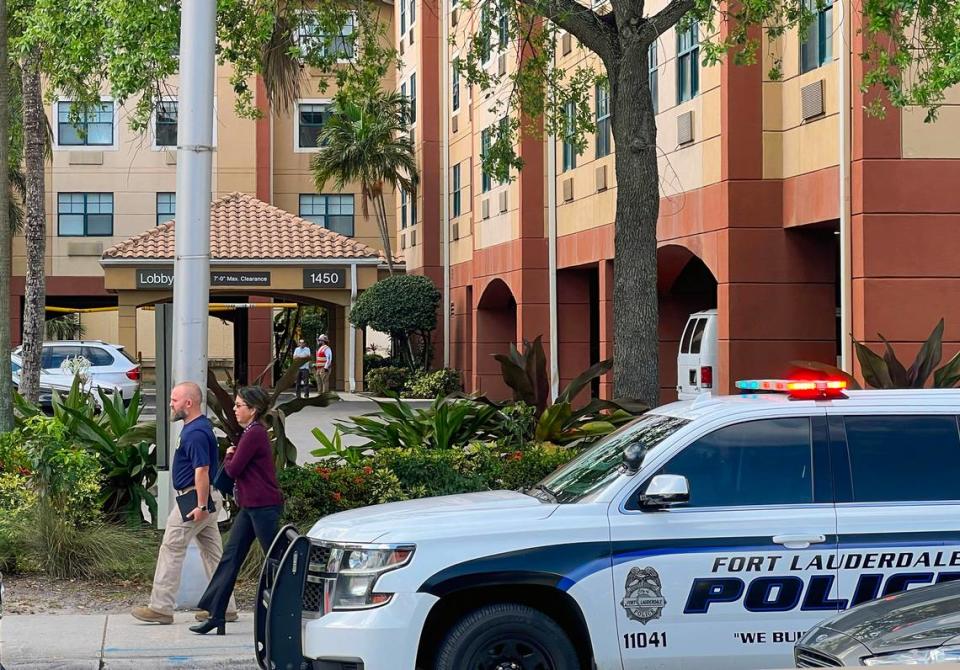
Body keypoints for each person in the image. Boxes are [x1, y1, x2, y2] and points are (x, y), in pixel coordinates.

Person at [132, 382, 237, 624]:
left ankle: (160, 607)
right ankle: (225, 607)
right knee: (213, 554)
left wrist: (200, 506)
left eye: (175, 399)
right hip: (203, 498)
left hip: (195, 500)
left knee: (171, 548)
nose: (171, 403)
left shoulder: (196, 433)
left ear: (188, 403)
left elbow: (202, 470)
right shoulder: (197, 428)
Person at [190, 386, 284, 635]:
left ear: (252, 410)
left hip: (263, 507)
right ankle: (216, 615)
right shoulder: (250, 432)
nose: (234, 409)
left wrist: (230, 455)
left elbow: (234, 470)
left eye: (239, 405)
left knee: (277, 560)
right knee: (230, 558)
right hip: (251, 507)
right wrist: (233, 453)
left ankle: (288, 609)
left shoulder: (255, 434)